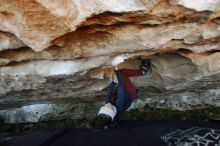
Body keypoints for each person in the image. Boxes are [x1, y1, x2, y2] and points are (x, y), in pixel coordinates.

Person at [91, 59, 150, 128]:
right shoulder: (119, 105)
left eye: (103, 107)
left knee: (121, 74)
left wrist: (113, 82)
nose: (106, 105)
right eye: (107, 107)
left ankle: (139, 73)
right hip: (130, 93)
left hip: (121, 96)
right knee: (122, 73)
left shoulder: (107, 109)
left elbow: (108, 95)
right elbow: (121, 87)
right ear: (112, 111)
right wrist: (116, 70)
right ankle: (142, 72)